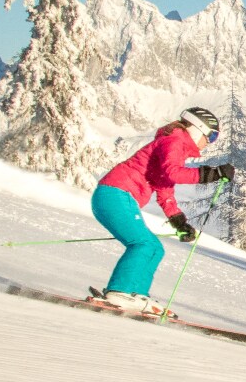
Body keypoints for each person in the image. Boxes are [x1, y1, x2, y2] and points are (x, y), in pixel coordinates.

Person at [89, 107, 234, 313]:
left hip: (116, 196)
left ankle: (134, 294)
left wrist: (179, 222)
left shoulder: (174, 145)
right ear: (197, 129)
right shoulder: (174, 141)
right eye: (211, 135)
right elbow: (173, 173)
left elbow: (165, 189)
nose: (210, 142)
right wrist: (211, 174)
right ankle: (120, 292)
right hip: (116, 194)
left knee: (155, 248)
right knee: (144, 244)